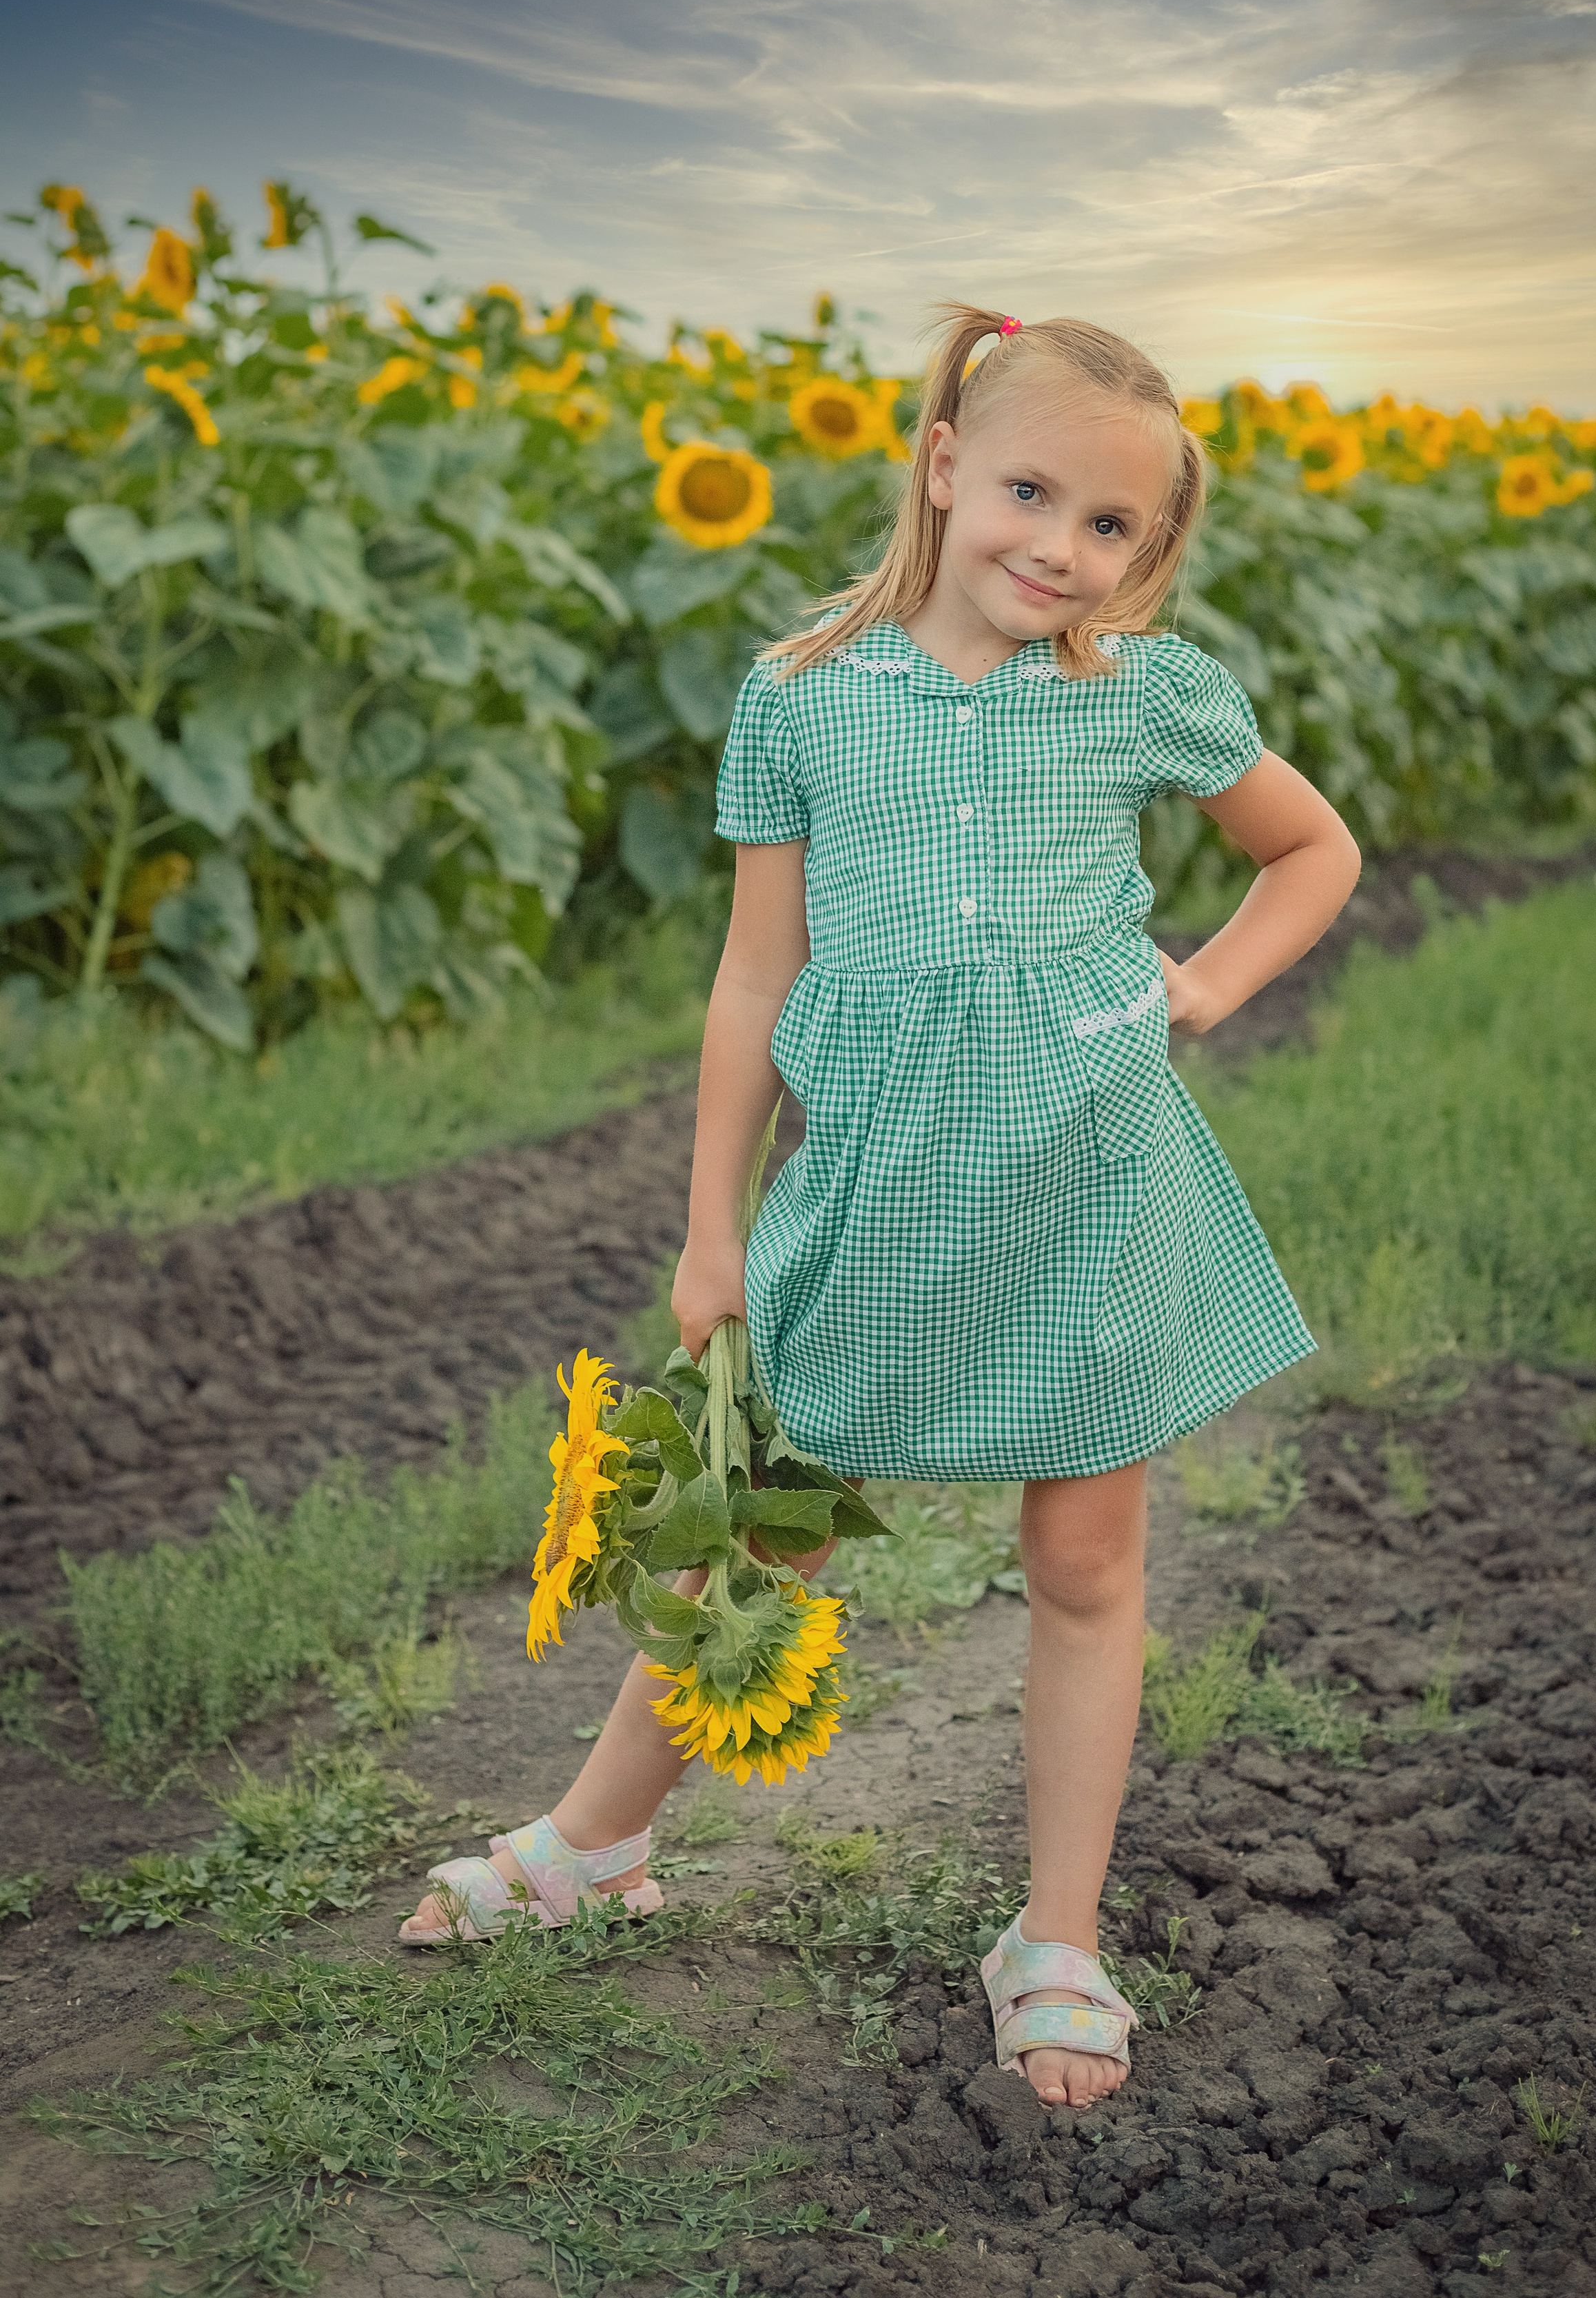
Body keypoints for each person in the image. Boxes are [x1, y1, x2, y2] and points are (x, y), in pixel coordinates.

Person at [400, 304, 1361, 2111]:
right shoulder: (802, 698)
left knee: (1084, 1563)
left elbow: (1312, 850)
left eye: (1111, 531)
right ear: (938, 464)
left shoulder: (1144, 692)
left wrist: (1214, 986)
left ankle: (1055, 1937)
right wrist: (711, 1226)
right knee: (767, 1527)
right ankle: (594, 1845)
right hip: (873, 1184)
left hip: (1092, 1180)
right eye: (1028, 492)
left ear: (1149, 561)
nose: (1058, 550)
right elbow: (757, 982)